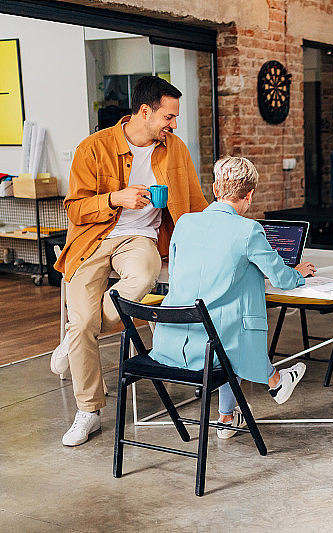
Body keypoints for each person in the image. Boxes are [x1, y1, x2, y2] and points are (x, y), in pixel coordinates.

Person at [53, 76, 209, 446]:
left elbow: (195, 201)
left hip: (140, 238)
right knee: (83, 322)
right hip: (92, 240)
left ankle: (77, 338)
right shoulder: (93, 148)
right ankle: (88, 411)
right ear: (144, 111)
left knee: (140, 280)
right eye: (169, 117)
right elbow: (73, 208)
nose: (173, 124)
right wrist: (115, 199)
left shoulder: (174, 149)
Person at [150, 156, 316, 438]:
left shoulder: (185, 223)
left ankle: (228, 417)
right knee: (234, 325)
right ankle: (275, 381)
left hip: (169, 343)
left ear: (215, 189)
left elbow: (176, 277)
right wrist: (297, 271)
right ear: (249, 195)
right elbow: (282, 279)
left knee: (225, 319)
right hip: (215, 350)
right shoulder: (249, 230)